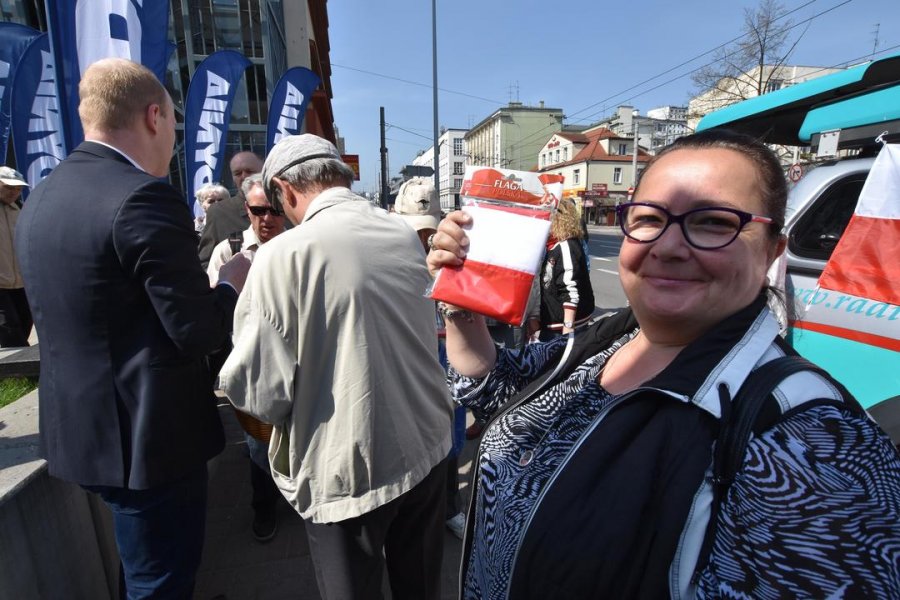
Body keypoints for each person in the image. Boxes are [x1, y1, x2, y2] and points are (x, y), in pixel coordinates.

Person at [427, 129, 900, 599]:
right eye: (650, 218)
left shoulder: (813, 449)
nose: (669, 246)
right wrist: (461, 301)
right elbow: (493, 389)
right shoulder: (608, 339)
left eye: (715, 222)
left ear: (771, 252)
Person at [15, 58, 250, 599]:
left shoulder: (40, 199)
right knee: (161, 579)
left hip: (81, 435)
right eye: (173, 123)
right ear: (153, 116)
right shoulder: (142, 197)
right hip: (148, 442)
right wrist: (232, 283)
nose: (173, 137)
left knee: (142, 568)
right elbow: (197, 330)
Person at [219, 134, 454, 600]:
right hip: (427, 444)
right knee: (422, 587)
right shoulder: (400, 232)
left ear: (285, 190)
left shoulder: (280, 256)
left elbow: (259, 395)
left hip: (349, 471)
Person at [207, 173, 285, 542]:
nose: (266, 218)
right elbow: (213, 307)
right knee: (258, 447)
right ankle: (264, 508)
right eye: (258, 210)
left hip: (294, 366)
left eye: (274, 210)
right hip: (252, 370)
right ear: (247, 210)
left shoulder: (298, 248)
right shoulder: (230, 250)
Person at [393, 176, 467, 540]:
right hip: (407, 363)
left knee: (450, 441)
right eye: (416, 231)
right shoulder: (388, 260)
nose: (424, 239)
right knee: (410, 443)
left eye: (428, 231)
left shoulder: (455, 257)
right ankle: (409, 517)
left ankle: (450, 507)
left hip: (447, 360)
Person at [535, 197, 594, 340]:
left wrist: (568, 331)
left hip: (563, 328)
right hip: (553, 324)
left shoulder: (566, 245)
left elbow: (570, 289)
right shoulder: (552, 246)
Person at [197, 151, 263, 268]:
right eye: (238, 173)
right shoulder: (219, 212)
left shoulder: (283, 207)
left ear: (263, 171)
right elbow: (205, 262)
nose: (244, 176)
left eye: (249, 171)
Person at [0, 167, 33, 347]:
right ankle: (18, 372)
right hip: (1, 284)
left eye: (18, 188)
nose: (15, 192)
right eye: (9, 187)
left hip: (21, 282)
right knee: (9, 328)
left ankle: (21, 370)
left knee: (25, 321)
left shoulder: (20, 208)